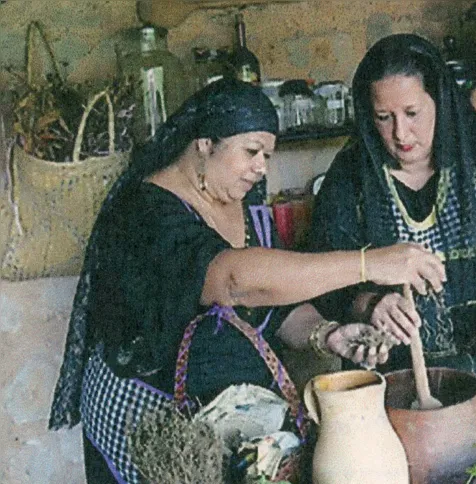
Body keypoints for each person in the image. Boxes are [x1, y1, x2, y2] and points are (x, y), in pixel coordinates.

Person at [47, 78, 446, 483]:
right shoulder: (146, 212)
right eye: (252, 152)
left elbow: (271, 303)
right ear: (205, 144)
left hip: (226, 419)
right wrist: (370, 264)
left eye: (268, 156)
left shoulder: (245, 201)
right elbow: (232, 281)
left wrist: (327, 334)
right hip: (151, 423)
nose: (261, 168)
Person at [309, 33, 476, 471]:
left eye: (413, 113)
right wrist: (370, 304)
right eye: (384, 117)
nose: (401, 133)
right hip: (390, 386)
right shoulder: (351, 175)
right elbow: (325, 280)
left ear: (439, 100)